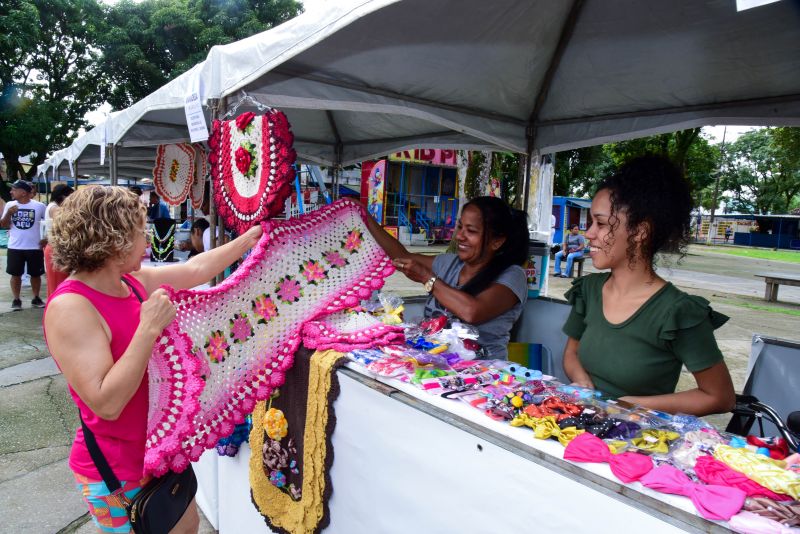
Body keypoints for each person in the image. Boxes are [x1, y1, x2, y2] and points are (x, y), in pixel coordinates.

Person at [43, 186, 262, 534]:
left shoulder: (128, 282)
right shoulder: (70, 307)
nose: (146, 240)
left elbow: (195, 269)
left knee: (187, 527)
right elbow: (107, 403)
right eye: (138, 232)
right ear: (113, 243)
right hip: (115, 471)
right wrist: (148, 328)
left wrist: (250, 239)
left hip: (159, 453)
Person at [561, 155, 735, 416]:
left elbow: (719, 396)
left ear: (640, 231)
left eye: (601, 223)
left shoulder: (677, 312)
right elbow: (571, 354)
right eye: (590, 223)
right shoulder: (587, 290)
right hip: (576, 423)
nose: (589, 233)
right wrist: (582, 382)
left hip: (632, 444)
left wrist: (630, 405)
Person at [365, 196, 529, 359]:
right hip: (437, 366)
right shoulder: (450, 263)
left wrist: (427, 278)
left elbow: (471, 311)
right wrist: (365, 217)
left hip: (485, 374)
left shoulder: (512, 275)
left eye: (471, 231)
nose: (460, 236)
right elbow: (401, 255)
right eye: (460, 227)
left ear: (496, 242)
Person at [1, 180, 47, 310]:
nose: (11, 192)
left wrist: (46, 238)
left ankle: (36, 298)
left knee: (35, 274)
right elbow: (3, 225)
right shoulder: (10, 204)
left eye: (14, 189)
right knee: (15, 274)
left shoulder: (39, 206)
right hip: (15, 247)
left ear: (23, 192)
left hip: (34, 246)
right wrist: (9, 213)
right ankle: (16, 299)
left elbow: (49, 223)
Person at [42, 184, 75, 297]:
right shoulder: (55, 208)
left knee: (57, 282)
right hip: (56, 248)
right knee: (58, 283)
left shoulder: (52, 206)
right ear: (63, 197)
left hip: (55, 247)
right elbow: (67, 224)